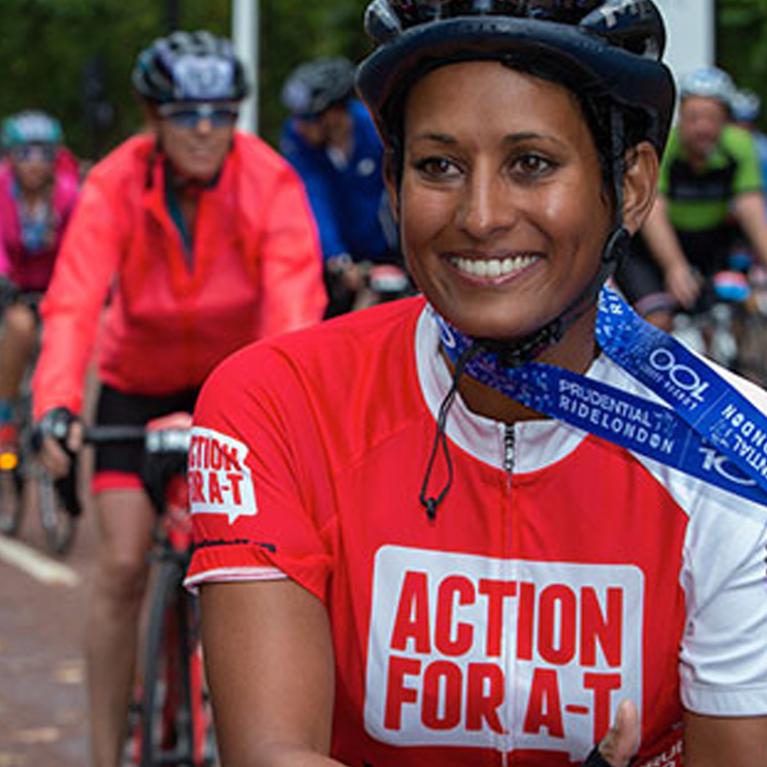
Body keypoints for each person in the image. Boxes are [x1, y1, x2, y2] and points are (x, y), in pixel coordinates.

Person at [187, 3, 767, 767]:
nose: (481, 215)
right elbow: (271, 752)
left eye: (530, 162)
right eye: (438, 165)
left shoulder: (732, 456)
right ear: (392, 185)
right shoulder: (274, 401)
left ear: (628, 186)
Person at [32, 30, 325, 767]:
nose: (205, 129)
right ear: (152, 117)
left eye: (222, 113)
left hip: (234, 382)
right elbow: (73, 300)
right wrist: (57, 403)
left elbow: (292, 299)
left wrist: (274, 403)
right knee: (124, 566)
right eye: (186, 112)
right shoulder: (115, 182)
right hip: (134, 383)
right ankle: (103, 751)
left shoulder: (269, 180)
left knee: (243, 566)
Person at [615, 66, 767, 331]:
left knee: (731, 315)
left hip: (708, 242)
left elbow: (749, 206)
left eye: (712, 118)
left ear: (725, 120)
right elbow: (654, 209)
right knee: (659, 320)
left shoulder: (739, 145)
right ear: (681, 117)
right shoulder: (664, 146)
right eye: (694, 117)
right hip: (653, 246)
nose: (702, 127)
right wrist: (675, 267)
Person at [280, 56, 401, 316]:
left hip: (390, 253)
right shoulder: (297, 142)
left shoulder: (377, 130)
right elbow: (313, 198)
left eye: (309, 119)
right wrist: (338, 259)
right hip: (336, 259)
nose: (299, 127)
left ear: (335, 113)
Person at [0, 110, 79, 448]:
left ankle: (61, 410)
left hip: (56, 288)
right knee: (19, 327)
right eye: (25, 154)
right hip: (11, 288)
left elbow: (79, 245)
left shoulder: (68, 195)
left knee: (72, 334)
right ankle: (4, 409)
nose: (34, 163)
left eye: (44, 154)